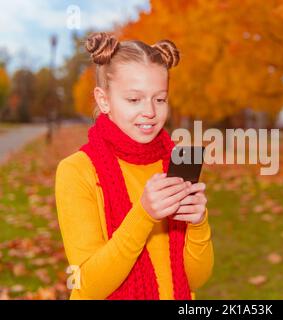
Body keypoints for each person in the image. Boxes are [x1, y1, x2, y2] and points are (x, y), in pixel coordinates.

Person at [55, 32, 214, 300]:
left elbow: (196, 279)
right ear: (104, 100)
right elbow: (87, 284)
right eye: (134, 99)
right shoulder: (77, 171)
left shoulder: (176, 163)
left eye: (159, 99)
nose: (150, 111)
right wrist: (144, 214)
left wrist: (198, 224)